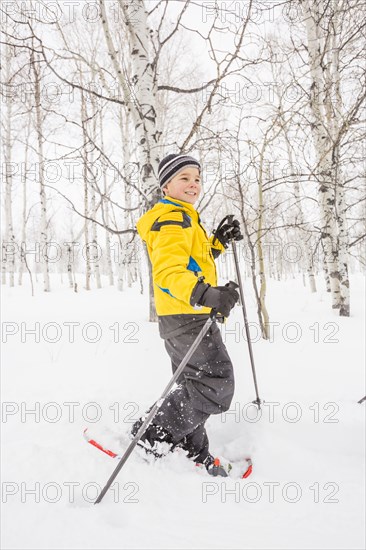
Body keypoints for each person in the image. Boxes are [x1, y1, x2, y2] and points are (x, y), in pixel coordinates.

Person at [134, 153, 243, 476]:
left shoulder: (184, 216)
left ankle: (188, 447)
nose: (193, 184)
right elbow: (169, 272)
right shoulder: (171, 218)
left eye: (197, 178)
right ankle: (152, 434)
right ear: (166, 185)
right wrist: (205, 294)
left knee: (194, 382)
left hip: (186, 314)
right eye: (184, 178)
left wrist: (218, 243)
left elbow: (194, 258)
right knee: (215, 382)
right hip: (186, 314)